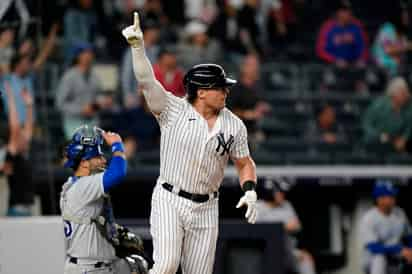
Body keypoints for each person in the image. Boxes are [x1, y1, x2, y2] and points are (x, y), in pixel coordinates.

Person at [122, 12, 258, 274]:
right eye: (220, 88)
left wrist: (250, 190)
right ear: (202, 92)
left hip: (207, 206)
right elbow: (147, 82)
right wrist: (138, 49)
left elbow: (244, 163)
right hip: (170, 198)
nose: (226, 91)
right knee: (166, 266)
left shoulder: (233, 124)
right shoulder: (172, 109)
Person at [61, 125, 148, 274]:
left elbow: (96, 220)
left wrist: (115, 231)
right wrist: (117, 145)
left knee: (137, 266)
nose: (103, 160)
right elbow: (117, 173)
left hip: (98, 264)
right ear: (83, 162)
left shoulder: (75, 184)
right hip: (89, 268)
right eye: (97, 156)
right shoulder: (82, 186)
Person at [256, 179, 317, 274]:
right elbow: (257, 230)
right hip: (266, 250)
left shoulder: (286, 205)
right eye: (279, 192)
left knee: (306, 259)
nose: (282, 195)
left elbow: (296, 226)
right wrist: (282, 227)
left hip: (288, 250)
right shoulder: (258, 206)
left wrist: (277, 227)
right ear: (270, 193)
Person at [359, 180, 412, 274]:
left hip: (396, 257)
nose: (393, 198)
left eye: (393, 196)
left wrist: (410, 250)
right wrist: (400, 250)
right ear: (380, 199)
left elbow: (409, 236)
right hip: (372, 261)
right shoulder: (369, 218)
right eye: (390, 196)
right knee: (379, 258)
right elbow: (373, 247)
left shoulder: (400, 213)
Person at [56, 43, 102, 139]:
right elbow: (60, 103)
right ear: (78, 56)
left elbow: (97, 98)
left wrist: (102, 102)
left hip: (92, 122)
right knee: (80, 151)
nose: (88, 56)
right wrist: (81, 109)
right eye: (85, 53)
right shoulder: (69, 76)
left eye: (90, 53)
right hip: (74, 122)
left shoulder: (95, 76)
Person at [362, 77, 412, 152]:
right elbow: (366, 124)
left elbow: (409, 125)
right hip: (378, 140)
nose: (406, 95)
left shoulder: (408, 105)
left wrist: (404, 138)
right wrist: (379, 135)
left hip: (398, 140)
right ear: (393, 94)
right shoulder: (378, 105)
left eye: (405, 92)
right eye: (402, 93)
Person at [372, 6, 412, 76]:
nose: (406, 17)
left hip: (397, 67)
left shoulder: (402, 31)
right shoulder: (388, 28)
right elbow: (388, 50)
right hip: (384, 67)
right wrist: (407, 46)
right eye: (404, 14)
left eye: (407, 14)